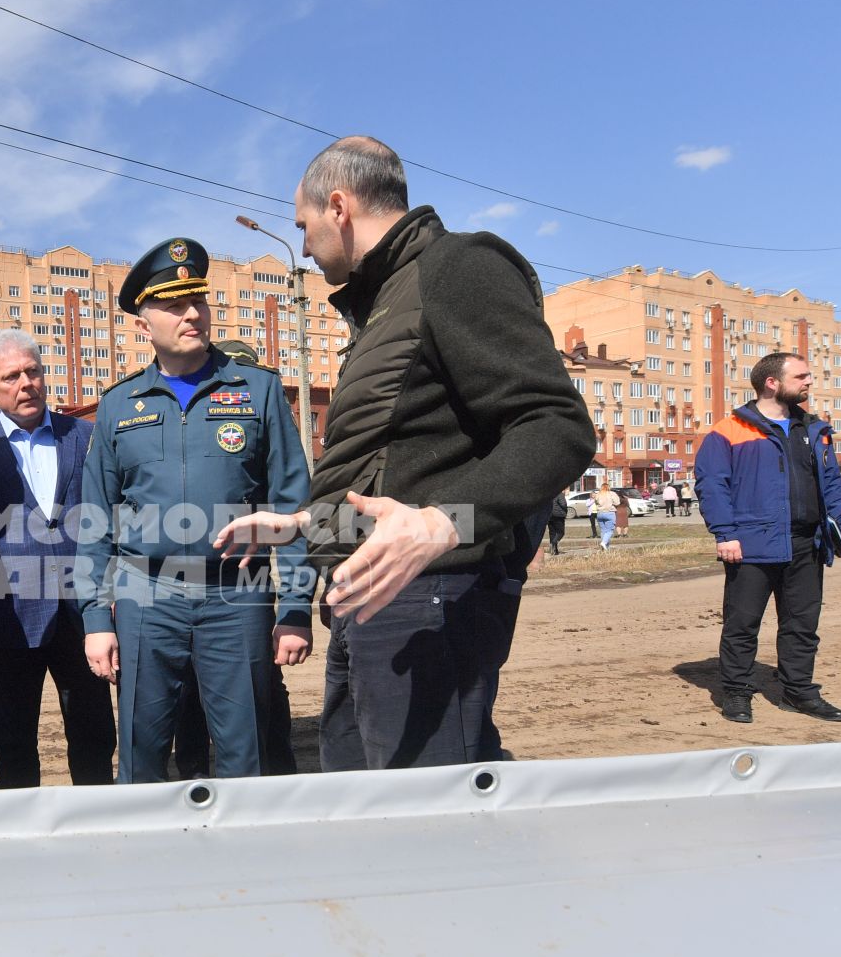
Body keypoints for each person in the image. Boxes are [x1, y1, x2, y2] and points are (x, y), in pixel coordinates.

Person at [212, 136, 594, 770]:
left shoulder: (457, 269)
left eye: (303, 226)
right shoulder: (388, 300)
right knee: (366, 806)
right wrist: (306, 523)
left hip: (429, 602)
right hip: (374, 597)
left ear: (339, 206)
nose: (303, 245)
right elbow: (404, 468)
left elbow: (557, 427)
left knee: (432, 822)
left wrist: (442, 523)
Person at [80, 236, 312, 783]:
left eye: (198, 301)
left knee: (245, 751)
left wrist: (296, 607)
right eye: (172, 304)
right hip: (145, 599)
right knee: (141, 753)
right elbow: (95, 520)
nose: (191, 313)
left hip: (236, 596)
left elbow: (292, 504)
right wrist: (95, 617)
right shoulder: (119, 405)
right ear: (143, 325)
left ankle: (240, 863)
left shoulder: (257, 391)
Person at [0, 328, 114, 788]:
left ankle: (98, 819)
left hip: (83, 615)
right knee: (14, 739)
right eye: (11, 376)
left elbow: (108, 521)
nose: (26, 383)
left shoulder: (84, 436)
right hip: (8, 618)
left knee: (95, 732)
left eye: (33, 372)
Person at [695, 352, 841, 725]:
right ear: (772, 382)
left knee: (802, 625)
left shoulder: (815, 430)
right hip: (751, 545)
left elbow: (830, 482)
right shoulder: (729, 430)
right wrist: (726, 534)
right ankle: (736, 693)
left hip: (807, 544)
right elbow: (712, 485)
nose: (809, 382)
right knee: (742, 625)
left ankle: (797, 692)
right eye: (801, 376)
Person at [591, 482, 620, 550]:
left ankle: (605, 547)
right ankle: (603, 543)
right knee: (610, 530)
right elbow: (617, 503)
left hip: (600, 513)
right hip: (609, 512)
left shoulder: (598, 494)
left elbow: (596, 502)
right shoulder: (611, 493)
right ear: (608, 487)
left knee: (603, 531)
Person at [547, 489, 569, 555]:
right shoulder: (559, 494)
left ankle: (554, 551)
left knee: (552, 533)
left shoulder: (549, 495)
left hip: (549, 515)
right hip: (558, 515)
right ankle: (553, 543)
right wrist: (565, 511)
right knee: (561, 532)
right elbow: (564, 504)